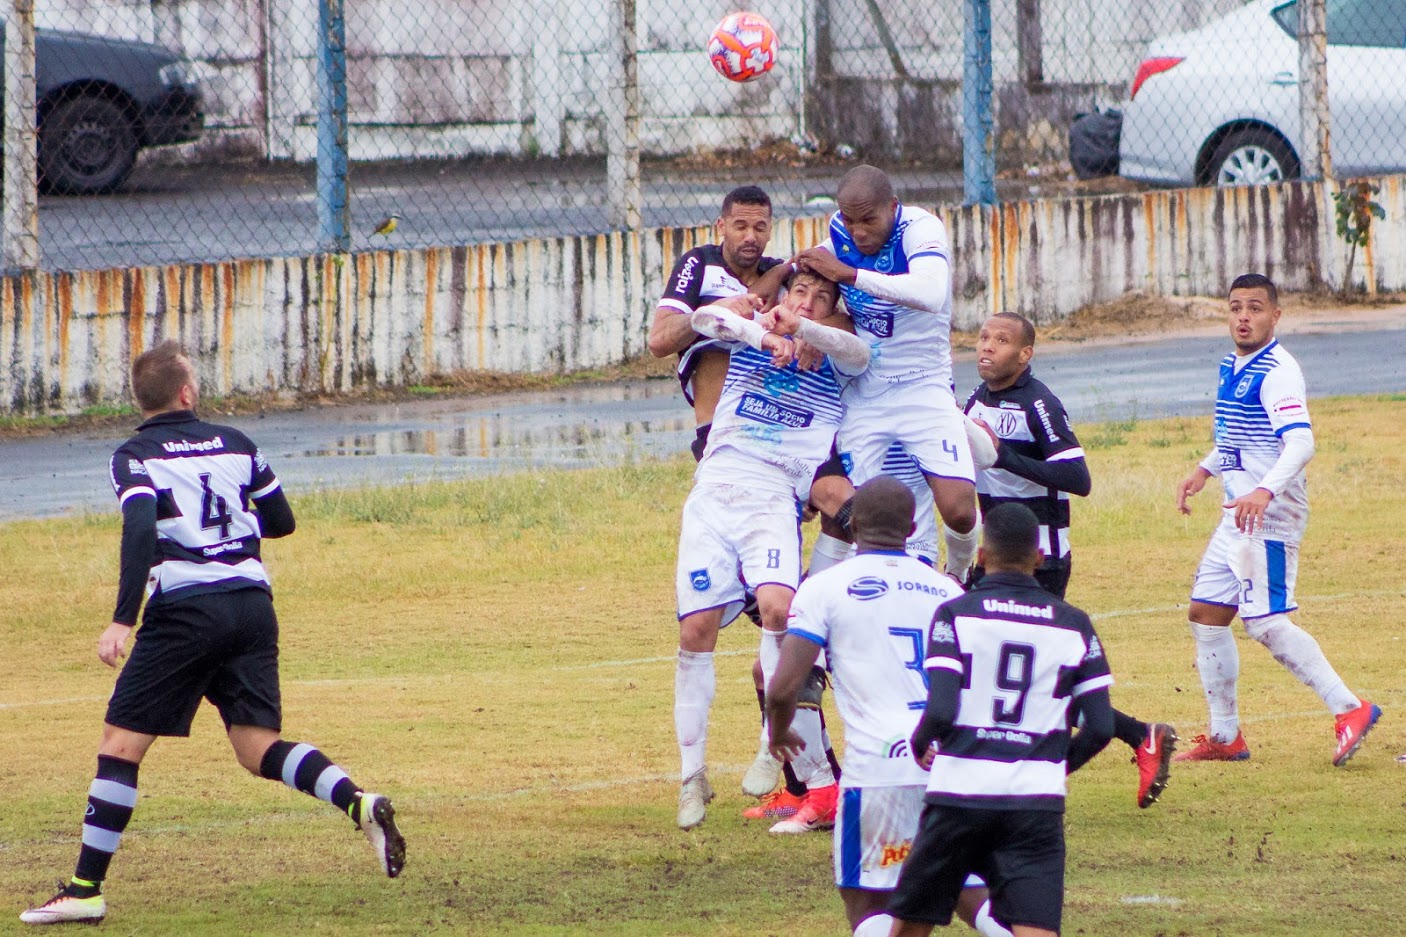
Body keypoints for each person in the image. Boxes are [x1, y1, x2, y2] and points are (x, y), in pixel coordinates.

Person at [20, 342, 404, 926]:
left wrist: (123, 618)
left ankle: (85, 889)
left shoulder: (133, 456)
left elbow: (140, 528)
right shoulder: (237, 443)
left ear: (141, 400)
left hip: (186, 612)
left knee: (120, 746)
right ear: (187, 392)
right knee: (257, 748)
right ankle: (357, 802)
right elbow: (282, 521)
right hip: (251, 605)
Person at [765, 477, 1011, 937]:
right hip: (951, 764)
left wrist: (777, 733)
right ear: (913, 527)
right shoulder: (947, 591)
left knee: (868, 902)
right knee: (968, 888)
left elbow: (782, 690)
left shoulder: (823, 588)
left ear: (852, 525)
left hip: (878, 769)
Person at [673, 274, 872, 830]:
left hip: (775, 495)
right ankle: (692, 776)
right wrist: (764, 334)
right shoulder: (751, 333)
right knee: (696, 631)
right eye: (799, 293)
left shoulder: (834, 354)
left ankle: (771, 745)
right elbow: (704, 320)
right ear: (782, 297)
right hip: (715, 491)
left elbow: (859, 354)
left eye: (821, 299)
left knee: (780, 608)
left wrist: (810, 332)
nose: (806, 303)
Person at [964, 311, 1176, 809]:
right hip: (994, 558)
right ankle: (1140, 735)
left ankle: (1019, 774)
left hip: (1040, 560)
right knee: (1001, 666)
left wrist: (1003, 456)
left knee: (1026, 672)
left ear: (1025, 355)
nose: (987, 347)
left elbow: (1079, 479)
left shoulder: (1039, 404)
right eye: (983, 337)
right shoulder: (977, 399)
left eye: (1001, 340)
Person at [1173, 273, 1380, 765]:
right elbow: (1239, 433)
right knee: (1206, 614)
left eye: (1255, 308)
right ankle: (1225, 737)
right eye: (1236, 308)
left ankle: (1349, 707)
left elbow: (1301, 442)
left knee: (1264, 622)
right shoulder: (1232, 364)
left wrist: (1265, 490)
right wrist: (1205, 469)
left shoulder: (1278, 371)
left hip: (1269, 513)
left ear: (1275, 316)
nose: (1244, 317)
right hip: (1238, 513)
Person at [887, 503, 1115, 937]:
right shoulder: (1075, 625)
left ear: (981, 556)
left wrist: (920, 742)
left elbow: (940, 710)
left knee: (911, 923)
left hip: (959, 796)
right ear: (1040, 559)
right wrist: (1054, 765)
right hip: (1034, 803)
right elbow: (1101, 726)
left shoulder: (955, 614)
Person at [791, 165, 981, 580]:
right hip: (866, 393)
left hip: (923, 387)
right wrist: (808, 325)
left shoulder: (920, 228)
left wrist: (851, 275)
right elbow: (796, 273)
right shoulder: (838, 236)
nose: (858, 231)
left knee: (959, 509)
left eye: (868, 220)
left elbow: (931, 293)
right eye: (849, 220)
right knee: (849, 513)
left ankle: (958, 576)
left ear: (893, 207)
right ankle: (810, 602)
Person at [647, 184, 793, 458]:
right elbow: (658, 342)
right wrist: (712, 313)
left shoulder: (780, 273)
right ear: (721, 226)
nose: (750, 237)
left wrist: (782, 272)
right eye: (740, 226)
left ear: (770, 230)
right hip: (718, 423)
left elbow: (815, 267)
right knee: (718, 347)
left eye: (759, 228)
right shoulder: (699, 263)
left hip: (777, 415)